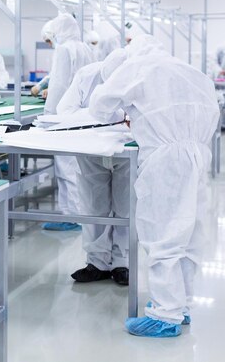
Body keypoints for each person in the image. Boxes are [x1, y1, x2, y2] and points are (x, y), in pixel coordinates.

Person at [89, 34, 220, 337]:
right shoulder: (186, 69)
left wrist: (126, 113)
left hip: (166, 158)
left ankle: (165, 314)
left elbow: (98, 105)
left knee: (162, 232)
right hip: (198, 152)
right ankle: (181, 305)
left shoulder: (136, 66)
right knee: (188, 232)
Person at [57, 49, 131, 286]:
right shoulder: (87, 75)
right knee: (93, 205)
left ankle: (123, 262)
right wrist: (109, 116)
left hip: (126, 151)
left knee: (126, 206)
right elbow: (65, 111)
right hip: (91, 149)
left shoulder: (138, 76)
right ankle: (97, 263)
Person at [42, 13, 96, 231]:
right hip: (82, 113)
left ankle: (71, 216)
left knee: (66, 167)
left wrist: (48, 115)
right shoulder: (84, 47)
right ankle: (80, 212)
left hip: (63, 117)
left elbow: (59, 84)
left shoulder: (64, 49)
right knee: (78, 167)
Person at [31, 20, 54, 97]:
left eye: (48, 41)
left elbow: (64, 78)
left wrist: (51, 89)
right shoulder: (59, 52)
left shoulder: (66, 50)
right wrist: (39, 87)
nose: (49, 45)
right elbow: (54, 74)